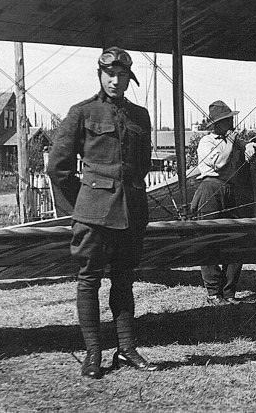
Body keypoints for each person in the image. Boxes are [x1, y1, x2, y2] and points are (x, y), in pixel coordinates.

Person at [47, 47, 156, 379]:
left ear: (128, 79)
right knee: (89, 281)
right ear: (100, 75)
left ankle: (125, 349)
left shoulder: (141, 116)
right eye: (110, 74)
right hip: (93, 215)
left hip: (131, 212)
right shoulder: (82, 112)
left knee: (124, 280)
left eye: (122, 76)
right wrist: (82, 206)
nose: (115, 81)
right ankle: (93, 353)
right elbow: (57, 168)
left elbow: (142, 165)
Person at [193, 100, 256, 305]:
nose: (231, 122)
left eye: (231, 118)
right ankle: (214, 293)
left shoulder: (233, 139)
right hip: (211, 189)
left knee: (238, 239)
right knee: (209, 240)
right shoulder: (206, 142)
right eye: (226, 120)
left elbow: (248, 150)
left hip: (232, 189)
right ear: (217, 123)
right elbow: (220, 162)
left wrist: (249, 145)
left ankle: (230, 292)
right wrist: (233, 142)